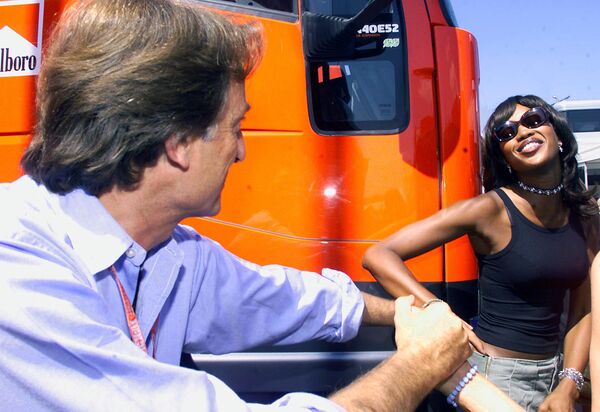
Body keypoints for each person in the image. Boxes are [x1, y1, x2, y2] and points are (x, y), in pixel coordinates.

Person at [0, 0, 526, 411]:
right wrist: (421, 363)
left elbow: (290, 299)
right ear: (177, 143)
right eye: (235, 127)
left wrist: (407, 313)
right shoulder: (18, 274)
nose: (243, 149)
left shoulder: (167, 253)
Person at [363, 94, 599, 411]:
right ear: (504, 157)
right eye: (506, 132)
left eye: (532, 121)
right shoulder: (489, 210)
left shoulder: (585, 216)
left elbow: (583, 308)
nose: (522, 133)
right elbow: (380, 255)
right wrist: (436, 309)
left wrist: (569, 385)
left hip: (557, 376)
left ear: (557, 134)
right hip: (497, 378)